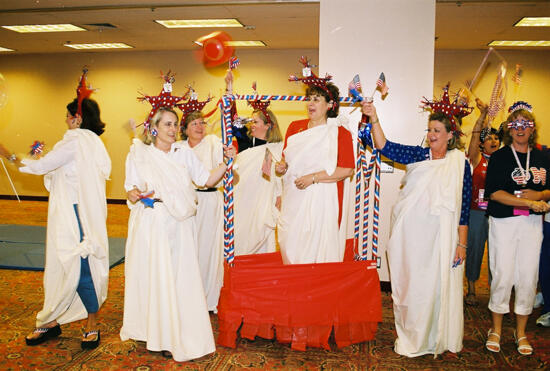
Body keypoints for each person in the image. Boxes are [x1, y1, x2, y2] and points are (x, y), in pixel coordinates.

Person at [360, 87, 472, 357]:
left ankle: (437, 337)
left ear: (450, 135)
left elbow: (464, 207)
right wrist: (374, 117)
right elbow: (385, 147)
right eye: (430, 129)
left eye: (437, 130)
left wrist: (462, 245)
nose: (431, 135)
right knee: (414, 286)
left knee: (437, 287)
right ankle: (414, 335)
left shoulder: (459, 163)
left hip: (442, 237)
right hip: (412, 234)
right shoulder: (419, 156)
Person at [120, 106, 234, 361]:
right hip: (152, 222)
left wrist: (227, 163)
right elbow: (130, 187)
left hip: (180, 223)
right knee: (155, 277)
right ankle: (154, 332)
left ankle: (175, 330)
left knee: (178, 277)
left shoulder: (184, 153)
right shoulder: (140, 153)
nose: (173, 130)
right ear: (154, 128)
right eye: (167, 125)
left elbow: (206, 180)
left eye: (175, 124)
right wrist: (133, 193)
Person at [0, 92, 111, 349]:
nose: (65, 119)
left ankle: (91, 323)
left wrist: (8, 154)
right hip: (71, 210)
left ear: (77, 119)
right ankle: (51, 320)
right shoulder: (90, 142)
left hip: (75, 214)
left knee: (79, 265)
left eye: (68, 115)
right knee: (61, 265)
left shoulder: (76, 142)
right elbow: (55, 168)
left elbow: (41, 168)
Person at [484, 102, 550, 355]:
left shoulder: (544, 157)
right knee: (502, 273)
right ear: (509, 129)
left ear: (533, 128)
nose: (520, 129)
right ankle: (496, 329)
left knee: (528, 276)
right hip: (504, 222)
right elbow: (495, 193)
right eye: (515, 124)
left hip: (532, 224)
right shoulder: (500, 156)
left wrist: (541, 193)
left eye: (526, 124)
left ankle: (521, 332)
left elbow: (548, 189)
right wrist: (529, 202)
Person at [275, 80, 354, 264]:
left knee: (318, 250)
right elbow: (287, 161)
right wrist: (282, 167)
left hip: (323, 197)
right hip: (295, 197)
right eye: (309, 99)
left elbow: (347, 169)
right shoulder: (295, 127)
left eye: (316, 99)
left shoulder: (340, 132)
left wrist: (313, 178)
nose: (310, 103)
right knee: (291, 244)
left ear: (330, 105)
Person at [180, 110, 225, 311]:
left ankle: (207, 297)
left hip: (209, 200)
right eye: (194, 124)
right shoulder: (178, 148)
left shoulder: (213, 143)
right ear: (185, 129)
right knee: (187, 246)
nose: (200, 127)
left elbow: (224, 170)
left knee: (207, 248)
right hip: (187, 200)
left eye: (202, 123)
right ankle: (186, 295)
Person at [464, 98, 501, 306]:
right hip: (477, 212)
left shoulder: (503, 160)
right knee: (475, 249)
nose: (494, 140)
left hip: (498, 212)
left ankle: (496, 291)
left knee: (497, 250)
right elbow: (475, 135)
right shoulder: (477, 158)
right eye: (490, 138)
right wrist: (482, 115)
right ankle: (471, 289)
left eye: (497, 137)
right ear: (482, 143)